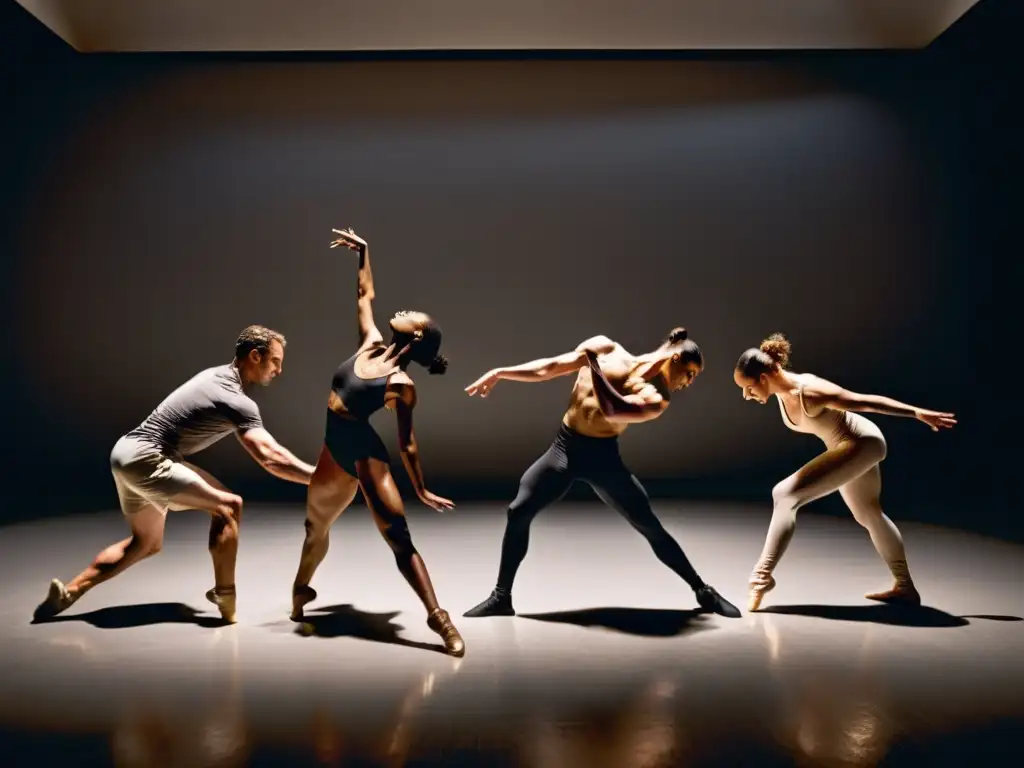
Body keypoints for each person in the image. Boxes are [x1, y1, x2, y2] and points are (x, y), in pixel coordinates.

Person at [33, 325, 315, 624]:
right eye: (275, 361)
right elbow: (270, 458)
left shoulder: (215, 376)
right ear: (255, 356)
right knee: (229, 506)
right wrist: (319, 476)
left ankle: (68, 593)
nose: (279, 370)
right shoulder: (236, 399)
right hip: (146, 456)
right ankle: (225, 596)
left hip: (126, 453)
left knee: (146, 543)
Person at [462, 329, 741, 619]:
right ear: (675, 357)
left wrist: (593, 368)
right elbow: (549, 368)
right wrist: (501, 372)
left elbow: (612, 410)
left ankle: (703, 591)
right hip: (565, 448)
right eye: (690, 372)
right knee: (518, 511)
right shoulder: (604, 348)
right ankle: (501, 598)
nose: (690, 381)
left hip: (603, 459)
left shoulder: (656, 396)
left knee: (648, 524)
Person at [289, 228, 465, 657]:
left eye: (413, 315)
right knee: (315, 530)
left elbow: (408, 444)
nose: (403, 309)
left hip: (365, 455)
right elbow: (364, 295)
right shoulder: (369, 343)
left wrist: (420, 488)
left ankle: (439, 618)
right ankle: (299, 593)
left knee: (398, 537)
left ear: (417, 337)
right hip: (334, 449)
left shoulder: (401, 385)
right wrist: (364, 253)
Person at [733, 332, 957, 611]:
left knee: (785, 494)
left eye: (748, 387)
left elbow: (863, 401)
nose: (746, 395)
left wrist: (916, 412)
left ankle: (761, 577)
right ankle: (905, 587)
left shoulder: (810, 390)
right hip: (849, 447)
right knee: (869, 514)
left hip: (862, 443)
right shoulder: (780, 393)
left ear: (764, 378)